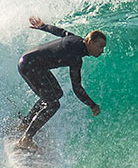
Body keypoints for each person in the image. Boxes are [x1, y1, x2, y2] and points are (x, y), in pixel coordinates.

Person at [14, 16, 105, 151]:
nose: (102, 51)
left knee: (56, 94)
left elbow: (61, 32)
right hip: (30, 65)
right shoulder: (76, 56)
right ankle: (26, 139)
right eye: (100, 46)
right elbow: (77, 87)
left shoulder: (76, 39)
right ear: (90, 42)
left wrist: (43, 26)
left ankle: (24, 124)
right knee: (53, 104)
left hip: (30, 62)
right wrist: (92, 105)